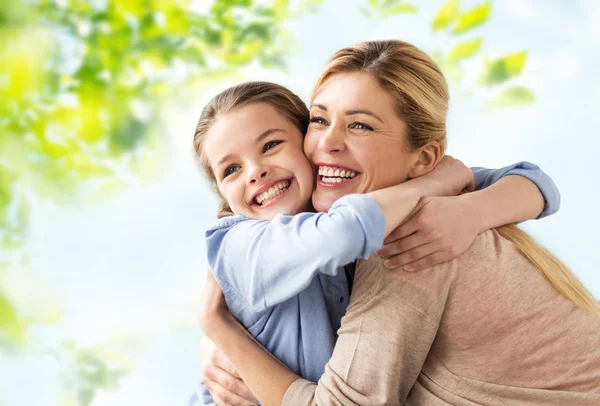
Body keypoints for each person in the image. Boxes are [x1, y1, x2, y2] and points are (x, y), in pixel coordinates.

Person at [198, 40, 600, 406]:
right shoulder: (414, 202)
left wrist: (224, 333)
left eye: (360, 125)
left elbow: (533, 181)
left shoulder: (419, 237)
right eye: (320, 120)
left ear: (423, 159)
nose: (328, 143)